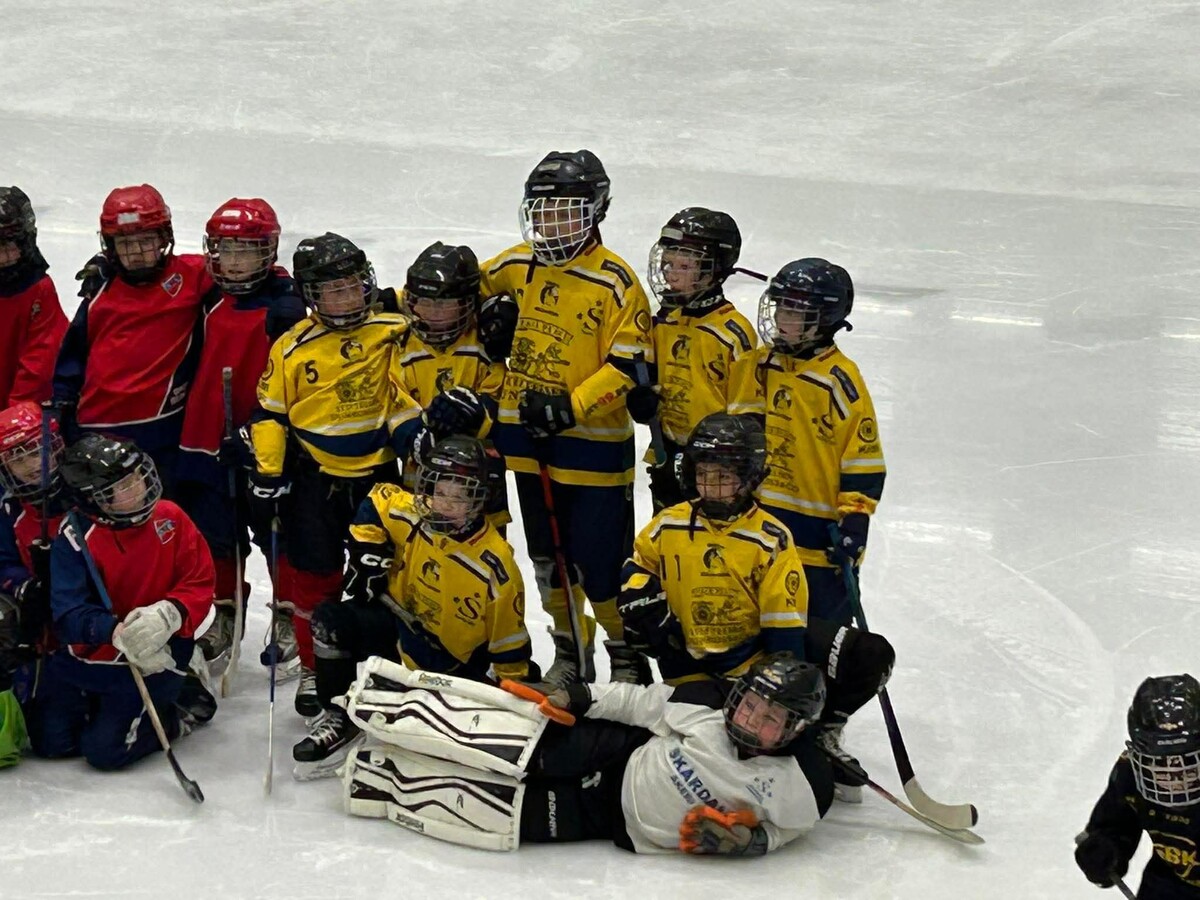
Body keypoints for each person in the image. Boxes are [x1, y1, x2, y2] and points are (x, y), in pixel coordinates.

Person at [618, 412, 894, 802]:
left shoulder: (770, 538)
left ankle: (821, 731)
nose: (710, 486)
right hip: (691, 671)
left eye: (723, 476)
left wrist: (786, 707)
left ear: (749, 478)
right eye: (704, 474)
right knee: (700, 749)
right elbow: (639, 565)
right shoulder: (668, 524)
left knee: (870, 654)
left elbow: (784, 637)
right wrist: (640, 600)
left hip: (752, 669)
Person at [343, 651, 834, 855]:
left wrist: (752, 843)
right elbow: (637, 703)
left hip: (611, 822)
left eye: (770, 718)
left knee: (496, 809)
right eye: (750, 704)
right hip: (614, 753)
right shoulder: (707, 703)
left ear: (795, 729)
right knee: (502, 737)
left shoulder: (804, 783)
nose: (750, 719)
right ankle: (383, 706)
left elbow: (788, 828)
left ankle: (377, 777)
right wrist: (579, 697)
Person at [477, 149, 654, 686]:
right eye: (544, 212)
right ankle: (572, 651)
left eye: (567, 212)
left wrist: (571, 407)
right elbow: (455, 293)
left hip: (594, 451)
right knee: (548, 562)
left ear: (596, 211)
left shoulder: (616, 281)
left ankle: (625, 655)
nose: (552, 224)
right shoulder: (517, 265)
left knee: (600, 565)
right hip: (527, 444)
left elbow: (629, 364)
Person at [248, 233, 421, 718]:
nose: (346, 298)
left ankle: (390, 668)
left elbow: (432, 305)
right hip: (314, 482)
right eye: (332, 291)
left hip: (380, 480)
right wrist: (269, 470)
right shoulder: (291, 347)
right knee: (314, 578)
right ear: (310, 296)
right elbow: (269, 414)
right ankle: (314, 667)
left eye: (353, 286)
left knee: (388, 575)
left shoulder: (394, 329)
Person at [292, 436, 531, 779]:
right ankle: (340, 714)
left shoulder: (495, 564)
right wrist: (367, 550)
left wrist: (512, 699)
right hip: (399, 632)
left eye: (458, 497)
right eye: (439, 491)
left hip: (449, 666)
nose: (444, 504)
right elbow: (378, 499)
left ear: (479, 499)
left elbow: (509, 643)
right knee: (331, 620)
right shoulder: (415, 513)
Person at [24, 435, 215, 770]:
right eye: (124, 486)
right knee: (51, 742)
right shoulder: (74, 537)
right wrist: (113, 630)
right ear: (94, 499)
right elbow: (68, 614)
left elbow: (199, 580)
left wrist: (171, 613)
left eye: (137, 476)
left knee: (105, 752)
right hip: (94, 653)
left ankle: (178, 704)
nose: (139, 487)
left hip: (158, 652)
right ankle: (115, 707)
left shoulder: (170, 516)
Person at [176, 198, 306, 669]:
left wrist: (297, 296)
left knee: (278, 532)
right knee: (217, 535)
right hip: (205, 436)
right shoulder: (206, 293)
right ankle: (227, 614)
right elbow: (165, 270)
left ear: (268, 251)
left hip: (267, 440)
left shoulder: (287, 300)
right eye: (225, 250)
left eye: (246, 251)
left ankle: (289, 616)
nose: (233, 262)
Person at [728, 258, 886, 626]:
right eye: (781, 307)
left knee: (822, 634)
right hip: (759, 525)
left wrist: (855, 519)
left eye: (796, 312)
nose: (782, 319)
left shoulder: (838, 379)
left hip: (819, 538)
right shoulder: (758, 365)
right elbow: (738, 431)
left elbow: (862, 457)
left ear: (825, 319)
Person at [52, 184, 212, 496]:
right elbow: (74, 354)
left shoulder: (193, 276)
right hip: (95, 430)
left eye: (145, 241)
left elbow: (242, 270)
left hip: (163, 431)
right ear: (110, 247)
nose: (136, 253)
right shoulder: (100, 289)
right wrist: (61, 405)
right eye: (125, 243)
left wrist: (283, 288)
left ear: (164, 238)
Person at [631, 207, 757, 513]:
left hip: (717, 472)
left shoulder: (733, 334)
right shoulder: (663, 322)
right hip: (667, 457)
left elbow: (747, 416)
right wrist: (640, 401)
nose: (670, 274)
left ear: (713, 270)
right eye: (668, 264)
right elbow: (650, 383)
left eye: (684, 266)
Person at [394, 242, 508, 529]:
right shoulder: (400, 348)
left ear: (466, 303)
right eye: (424, 302)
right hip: (419, 487)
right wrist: (418, 438)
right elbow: (395, 406)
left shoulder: (485, 346)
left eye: (444, 304)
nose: (432, 312)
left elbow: (501, 400)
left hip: (480, 489)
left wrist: (477, 414)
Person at [1076, 674, 1200, 898]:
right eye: (1160, 764)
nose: (1175, 778)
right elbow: (1117, 824)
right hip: (1172, 882)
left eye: (1187, 762)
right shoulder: (1131, 773)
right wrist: (1107, 851)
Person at [0, 401, 69, 767]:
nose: (32, 464)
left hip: (88, 618)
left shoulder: (84, 494)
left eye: (36, 449)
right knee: (47, 738)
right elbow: (2, 562)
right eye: (18, 457)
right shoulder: (8, 509)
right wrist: (24, 585)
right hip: (38, 621)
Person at [0, 187, 68, 408]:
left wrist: (14, 415)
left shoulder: (39, 290)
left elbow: (40, 363)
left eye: (11, 246)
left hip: (22, 416)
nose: (5, 257)